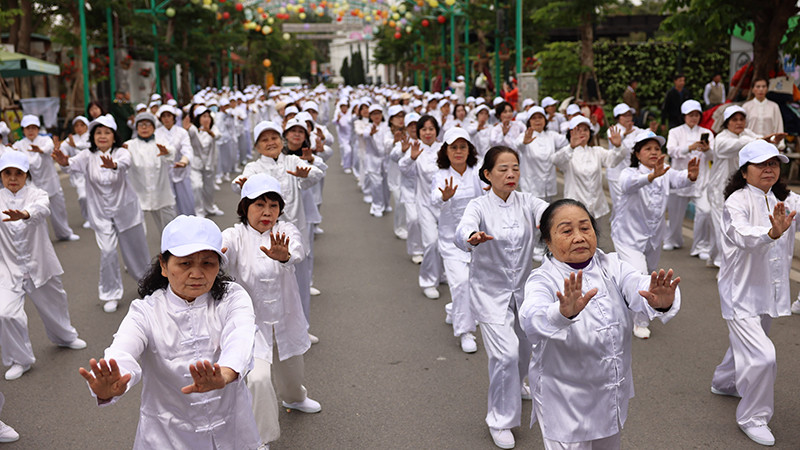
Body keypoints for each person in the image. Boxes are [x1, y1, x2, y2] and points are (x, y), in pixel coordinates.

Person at [78, 215, 261, 450]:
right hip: (168, 436)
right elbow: (122, 350)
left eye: (207, 263)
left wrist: (225, 373)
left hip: (231, 427)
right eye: (185, 264)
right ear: (164, 266)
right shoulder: (145, 311)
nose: (197, 273)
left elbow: (240, 336)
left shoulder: (232, 296)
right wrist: (113, 383)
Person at [519, 198, 682, 449]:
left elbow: (637, 283)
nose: (579, 237)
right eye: (566, 231)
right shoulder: (543, 279)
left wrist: (659, 299)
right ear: (548, 242)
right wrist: (561, 313)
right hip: (565, 400)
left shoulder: (611, 265)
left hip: (609, 393)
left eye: (585, 228)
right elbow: (530, 316)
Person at [455, 146, 549, 450]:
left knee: (523, 349)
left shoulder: (527, 201)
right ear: (487, 174)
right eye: (503, 169)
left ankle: (517, 384)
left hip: (523, 291)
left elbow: (549, 212)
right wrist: (471, 237)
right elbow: (464, 228)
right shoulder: (479, 206)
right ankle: (500, 420)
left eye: (515, 168)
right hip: (490, 293)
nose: (511, 174)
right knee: (505, 355)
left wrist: (555, 220)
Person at [223, 174, 321, 445]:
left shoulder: (285, 231)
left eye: (273, 206)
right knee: (258, 379)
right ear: (245, 207)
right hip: (251, 324)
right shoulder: (235, 235)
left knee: (292, 371)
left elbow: (297, 250)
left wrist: (285, 256)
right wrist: (213, 254)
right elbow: (222, 251)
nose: (267, 212)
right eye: (259, 205)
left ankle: (294, 398)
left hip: (285, 317)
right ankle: (258, 437)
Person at [711, 140, 797, 447]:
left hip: (768, 293)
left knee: (748, 345)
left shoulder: (784, 199)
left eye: (774, 164)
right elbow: (741, 234)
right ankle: (753, 417)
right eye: (762, 164)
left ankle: (724, 381)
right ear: (745, 172)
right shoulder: (736, 202)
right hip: (741, 293)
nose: (769, 169)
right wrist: (771, 233)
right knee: (763, 357)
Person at [232, 120, 324, 343]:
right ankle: (262, 332)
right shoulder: (254, 167)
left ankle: (301, 329)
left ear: (281, 141)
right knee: (263, 284)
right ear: (257, 146)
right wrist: (242, 184)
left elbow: (316, 173)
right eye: (264, 140)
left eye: (274, 138)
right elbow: (238, 183)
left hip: (294, 233)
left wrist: (306, 173)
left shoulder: (292, 161)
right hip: (263, 236)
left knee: (298, 286)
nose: (270, 142)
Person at [0, 151, 87, 381]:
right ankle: (20, 359)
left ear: (26, 174)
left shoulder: (37, 194)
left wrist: (24, 214)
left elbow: (42, 210)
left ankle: (65, 337)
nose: (12, 178)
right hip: (8, 269)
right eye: (7, 173)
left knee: (55, 304)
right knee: (6, 313)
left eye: (18, 173)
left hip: (40, 264)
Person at [52, 114, 151, 313]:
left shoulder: (121, 152)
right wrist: (64, 162)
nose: (102, 136)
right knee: (107, 251)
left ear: (114, 136)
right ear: (93, 136)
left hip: (126, 210)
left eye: (107, 132)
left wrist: (113, 165)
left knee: (136, 252)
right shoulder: (87, 156)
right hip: (101, 214)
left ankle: (149, 285)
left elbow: (125, 163)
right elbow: (70, 165)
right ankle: (110, 293)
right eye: (98, 132)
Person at [613, 131, 697, 340]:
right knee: (641, 274)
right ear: (637, 154)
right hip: (628, 237)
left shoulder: (665, 172)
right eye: (647, 148)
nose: (653, 152)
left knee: (649, 273)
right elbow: (627, 184)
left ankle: (622, 295)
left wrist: (690, 176)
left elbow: (680, 179)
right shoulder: (629, 173)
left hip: (653, 238)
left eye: (657, 149)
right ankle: (640, 321)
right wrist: (651, 176)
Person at [708, 106, 784, 267]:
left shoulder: (748, 134)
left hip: (741, 186)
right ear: (726, 123)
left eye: (742, 119)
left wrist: (769, 142)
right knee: (721, 224)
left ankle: (715, 256)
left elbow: (757, 142)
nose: (739, 123)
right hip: (719, 188)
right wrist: (760, 140)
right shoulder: (721, 138)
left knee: (734, 225)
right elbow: (737, 145)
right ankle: (722, 261)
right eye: (734, 120)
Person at [431, 128, 484, 353]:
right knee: (461, 282)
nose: (459, 151)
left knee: (472, 283)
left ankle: (455, 309)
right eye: (454, 147)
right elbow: (434, 197)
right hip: (451, 242)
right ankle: (465, 332)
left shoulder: (478, 170)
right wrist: (444, 196)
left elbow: (488, 194)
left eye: (463, 147)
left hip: (476, 240)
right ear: (446, 150)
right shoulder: (440, 174)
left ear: (469, 149)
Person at [11, 115, 79, 241]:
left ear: (38, 129)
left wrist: (40, 150)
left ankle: (64, 233)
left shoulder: (45, 140)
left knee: (59, 210)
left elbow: (49, 148)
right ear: (23, 130)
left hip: (51, 181)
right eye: (27, 128)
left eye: (33, 128)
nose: (31, 131)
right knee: (36, 214)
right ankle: (43, 240)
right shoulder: (19, 145)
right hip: (32, 185)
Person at [399, 115, 444, 299]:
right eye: (424, 129)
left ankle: (441, 273)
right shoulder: (415, 149)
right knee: (431, 242)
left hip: (445, 204)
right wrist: (411, 158)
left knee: (445, 243)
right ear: (418, 132)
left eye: (431, 129)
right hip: (425, 205)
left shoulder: (445, 149)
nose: (427, 133)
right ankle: (428, 281)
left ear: (436, 131)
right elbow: (404, 170)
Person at [664, 100, 715, 255]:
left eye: (696, 115)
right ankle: (672, 239)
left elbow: (713, 156)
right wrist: (689, 148)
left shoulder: (707, 133)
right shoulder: (675, 132)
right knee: (675, 214)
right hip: (679, 178)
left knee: (705, 211)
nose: (694, 118)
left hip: (701, 179)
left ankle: (701, 245)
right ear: (684, 116)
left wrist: (707, 150)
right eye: (690, 115)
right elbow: (671, 151)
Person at [553, 116, 623, 219]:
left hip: (596, 207)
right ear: (571, 133)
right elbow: (556, 161)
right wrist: (571, 147)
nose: (582, 133)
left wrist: (618, 147)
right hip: (575, 206)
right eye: (578, 130)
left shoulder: (597, 151)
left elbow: (613, 161)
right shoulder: (568, 154)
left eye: (585, 130)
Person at [124, 112, 177, 235]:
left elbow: (171, 151)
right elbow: (121, 160)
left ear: (153, 127)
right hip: (139, 194)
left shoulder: (160, 142)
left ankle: (170, 247)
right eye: (141, 125)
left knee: (170, 230)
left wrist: (167, 152)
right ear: (136, 128)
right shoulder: (129, 145)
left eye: (147, 124)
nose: (144, 128)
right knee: (137, 232)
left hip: (162, 193)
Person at [155, 105, 195, 216]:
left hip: (181, 172)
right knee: (169, 206)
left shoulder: (182, 132)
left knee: (186, 203)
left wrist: (184, 161)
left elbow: (187, 149)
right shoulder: (156, 133)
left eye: (169, 116)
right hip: (165, 173)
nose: (166, 119)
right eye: (164, 116)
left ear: (174, 117)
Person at [187, 106, 224, 218]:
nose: (206, 119)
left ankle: (210, 208)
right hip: (195, 164)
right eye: (203, 116)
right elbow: (188, 135)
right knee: (197, 186)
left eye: (208, 116)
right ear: (198, 118)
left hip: (209, 164)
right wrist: (186, 129)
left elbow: (218, 136)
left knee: (209, 189)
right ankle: (199, 211)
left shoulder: (214, 129)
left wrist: (209, 131)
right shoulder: (193, 129)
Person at [59, 116, 92, 228]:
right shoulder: (71, 139)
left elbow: (91, 147)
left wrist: (76, 146)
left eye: (82, 125)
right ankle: (88, 218)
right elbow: (62, 148)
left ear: (86, 126)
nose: (79, 128)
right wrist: (58, 149)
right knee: (83, 197)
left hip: (93, 172)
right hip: (79, 175)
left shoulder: (91, 136)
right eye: (76, 125)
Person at [742, 79, 785, 149]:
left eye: (763, 86)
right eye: (758, 87)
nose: (761, 89)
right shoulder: (746, 106)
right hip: (751, 144)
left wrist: (781, 143)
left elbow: (779, 126)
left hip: (770, 145)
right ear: (752, 89)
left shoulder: (774, 106)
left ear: (767, 89)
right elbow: (743, 127)